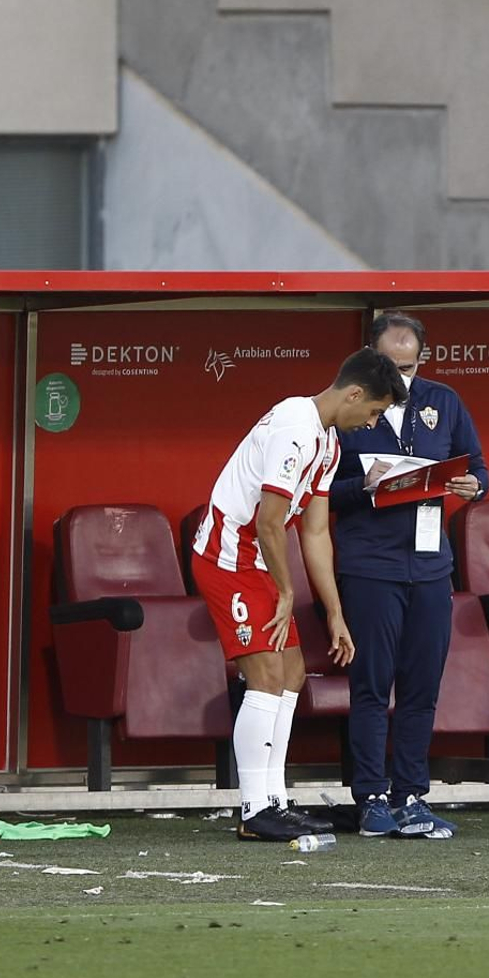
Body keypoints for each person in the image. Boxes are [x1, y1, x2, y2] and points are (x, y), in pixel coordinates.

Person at [191, 347, 406, 842]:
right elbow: (269, 522)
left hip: (259, 560)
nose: (370, 424)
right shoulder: (294, 423)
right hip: (229, 557)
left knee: (289, 674)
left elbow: (313, 533)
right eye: (372, 412)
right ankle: (254, 809)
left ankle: (273, 800)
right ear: (353, 393)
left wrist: (334, 612)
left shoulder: (328, 442)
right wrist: (287, 592)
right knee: (266, 676)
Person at [330, 312, 489, 840]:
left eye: (411, 365)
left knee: (422, 686)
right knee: (372, 685)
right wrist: (366, 487)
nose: (402, 378)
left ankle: (411, 795)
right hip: (369, 565)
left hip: (429, 564)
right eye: (392, 367)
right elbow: (322, 493)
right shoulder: (350, 407)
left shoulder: (442, 401)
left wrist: (472, 487)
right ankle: (371, 797)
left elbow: (478, 470)